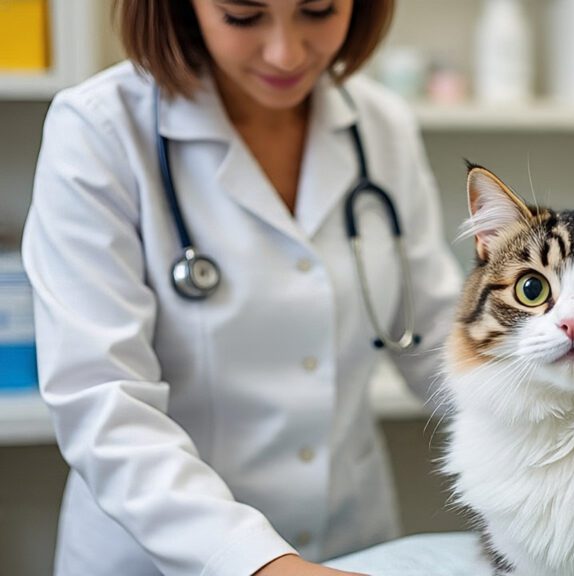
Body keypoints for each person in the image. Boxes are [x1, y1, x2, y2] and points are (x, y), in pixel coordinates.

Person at [20, 1, 462, 574]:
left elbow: (434, 339)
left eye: (319, 10)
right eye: (243, 15)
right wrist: (259, 562)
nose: (287, 52)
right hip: (160, 556)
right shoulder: (100, 130)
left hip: (350, 544)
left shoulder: (380, 125)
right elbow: (102, 400)